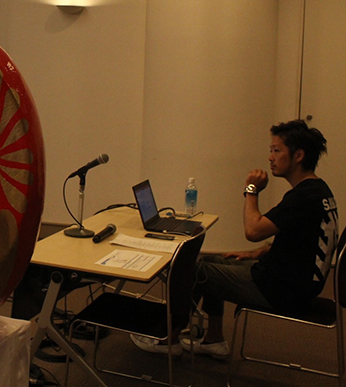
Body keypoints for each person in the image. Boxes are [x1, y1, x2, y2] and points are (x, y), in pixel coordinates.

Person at [131, 119, 338, 358]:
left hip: (282, 290)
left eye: (276, 150)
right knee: (210, 261)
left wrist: (251, 190)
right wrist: (257, 253)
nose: (270, 157)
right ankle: (213, 340)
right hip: (297, 283)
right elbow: (304, 241)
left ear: (298, 155)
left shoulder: (302, 197)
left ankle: (168, 338)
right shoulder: (319, 191)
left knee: (192, 270)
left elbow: (253, 231)